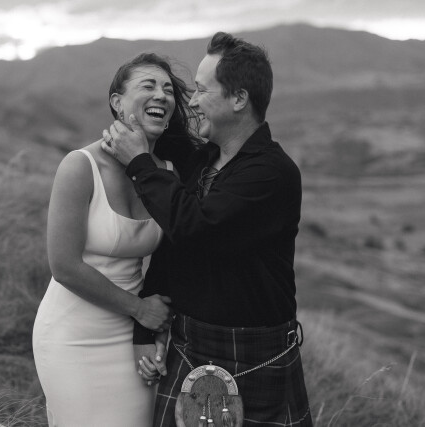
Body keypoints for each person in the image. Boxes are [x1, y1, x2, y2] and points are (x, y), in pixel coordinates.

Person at [102, 32, 313, 426]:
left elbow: (194, 228)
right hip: (190, 346)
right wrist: (144, 331)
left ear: (239, 99)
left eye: (201, 90)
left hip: (254, 356)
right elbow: (173, 246)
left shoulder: (271, 173)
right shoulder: (202, 160)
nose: (193, 101)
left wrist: (140, 164)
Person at [32, 52, 198, 427]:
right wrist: (139, 309)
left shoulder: (168, 174)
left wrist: (151, 330)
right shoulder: (79, 166)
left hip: (132, 336)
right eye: (148, 85)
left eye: (168, 89)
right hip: (73, 335)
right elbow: (63, 266)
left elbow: (173, 258)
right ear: (117, 102)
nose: (161, 95)